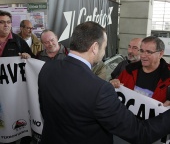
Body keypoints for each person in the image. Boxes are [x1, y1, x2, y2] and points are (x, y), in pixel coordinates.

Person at [38, 21, 170, 144]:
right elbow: (140, 133)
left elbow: (46, 111)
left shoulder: (47, 68)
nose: (104, 52)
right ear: (95, 47)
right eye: (104, 47)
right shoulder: (100, 89)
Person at [0, 10, 34, 144]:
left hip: (11, 93)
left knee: (9, 122)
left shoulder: (18, 41)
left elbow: (32, 61)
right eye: (1, 22)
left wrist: (27, 57)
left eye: (8, 22)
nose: (6, 25)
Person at [110, 36, 170, 106]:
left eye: (148, 52)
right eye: (141, 51)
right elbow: (115, 92)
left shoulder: (167, 76)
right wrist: (112, 84)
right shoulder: (129, 70)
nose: (143, 56)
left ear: (160, 54)